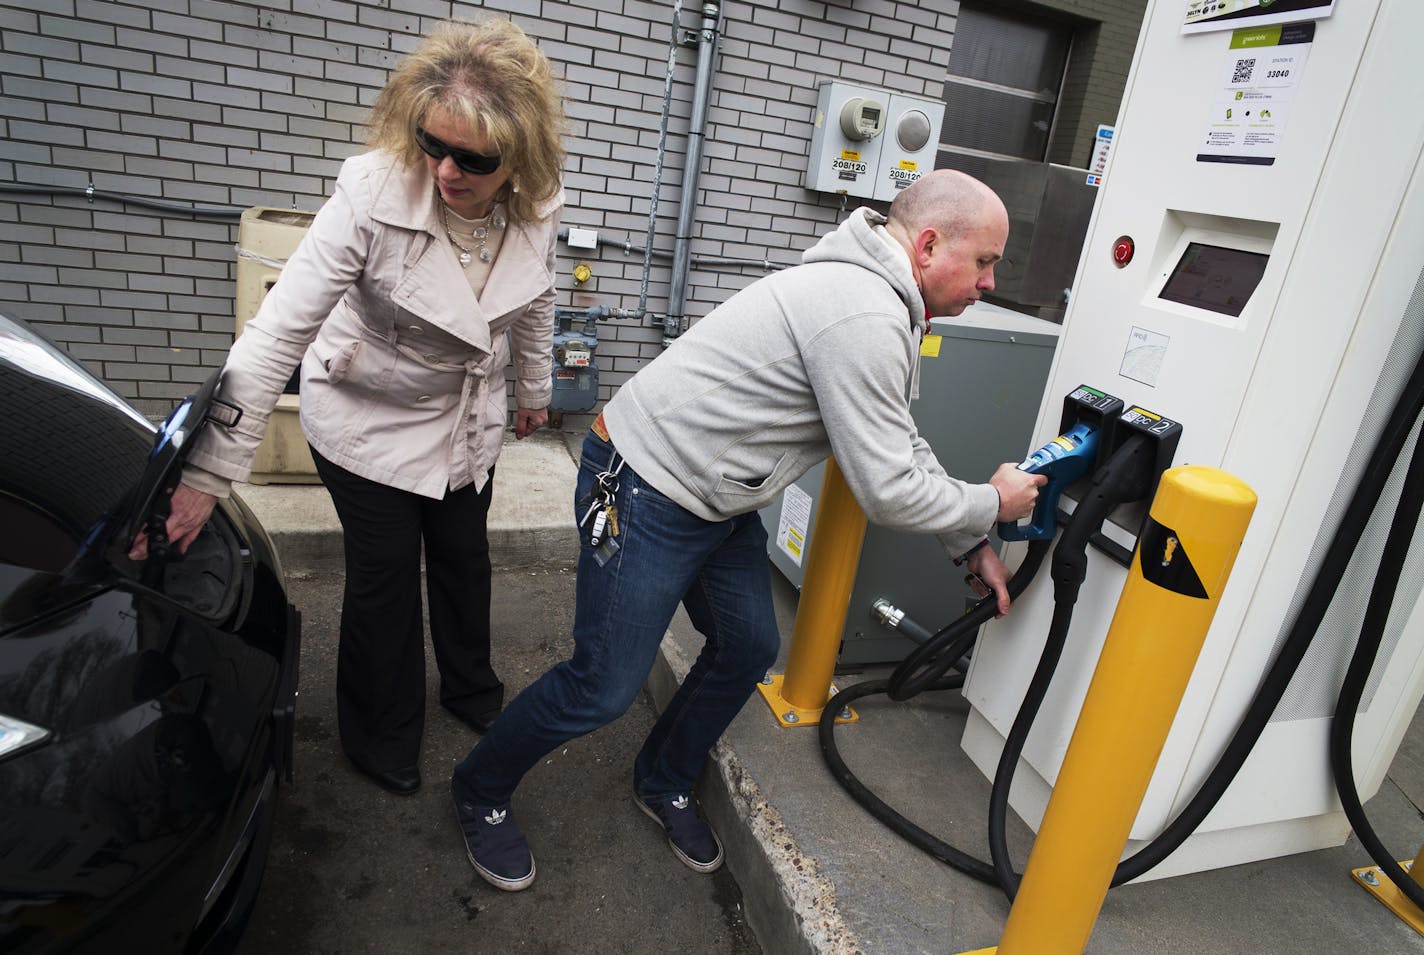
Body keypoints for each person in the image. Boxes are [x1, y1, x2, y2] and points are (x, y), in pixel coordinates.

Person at [449, 169, 1046, 891]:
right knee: (601, 684)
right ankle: (479, 789)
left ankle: (662, 778)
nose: (988, 284)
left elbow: (897, 438)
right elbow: (887, 487)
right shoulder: (862, 313)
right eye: (984, 262)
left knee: (748, 645)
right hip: (648, 483)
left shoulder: (881, 297)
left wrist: (968, 537)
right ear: (927, 244)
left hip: (715, 495)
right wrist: (994, 501)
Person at [128, 18, 567, 797]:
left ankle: (470, 689)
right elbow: (273, 335)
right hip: (368, 415)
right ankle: (379, 734)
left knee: (465, 559)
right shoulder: (368, 193)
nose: (445, 172)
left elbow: (534, 306)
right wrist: (207, 474)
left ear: (519, 158)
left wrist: (533, 390)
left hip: (466, 420)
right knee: (385, 579)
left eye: (474, 159)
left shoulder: (535, 205)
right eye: (433, 145)